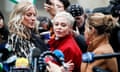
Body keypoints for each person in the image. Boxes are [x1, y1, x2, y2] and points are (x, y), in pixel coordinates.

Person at [7, 1, 48, 70]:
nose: (33, 18)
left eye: (34, 15)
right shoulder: (16, 37)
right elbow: (27, 64)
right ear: (19, 16)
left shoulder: (33, 34)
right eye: (29, 15)